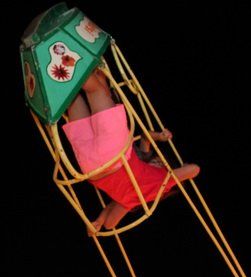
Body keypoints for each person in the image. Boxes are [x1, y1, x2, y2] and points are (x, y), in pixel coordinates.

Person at [62, 67, 200, 233]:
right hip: (90, 167)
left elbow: (194, 169)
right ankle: (63, 70)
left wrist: (181, 170)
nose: (158, 162)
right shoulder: (133, 199)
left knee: (96, 91)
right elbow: (110, 223)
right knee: (73, 99)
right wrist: (99, 221)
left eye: (161, 163)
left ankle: (71, 61)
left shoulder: (161, 182)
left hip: (115, 155)